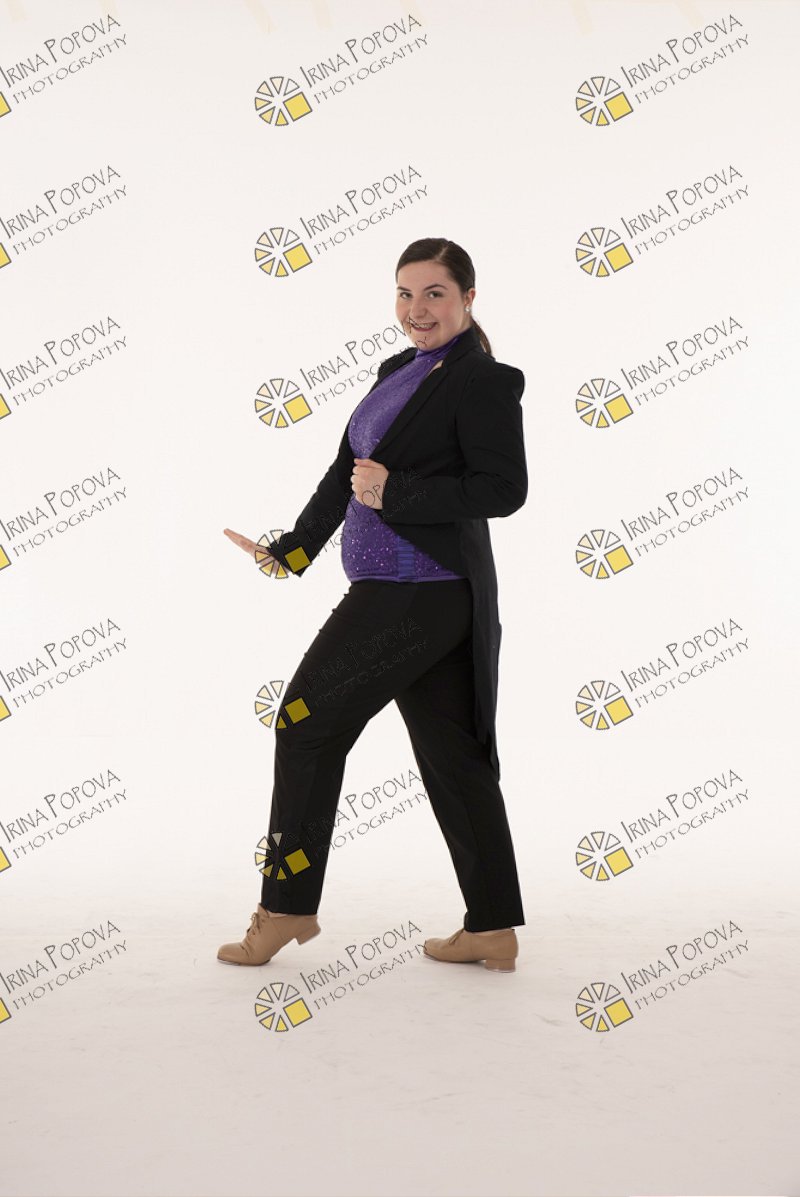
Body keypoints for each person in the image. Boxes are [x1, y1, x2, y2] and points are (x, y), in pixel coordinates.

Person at [219, 237, 528, 973]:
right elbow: (346, 472)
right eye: (405, 293)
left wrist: (399, 492)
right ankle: (492, 927)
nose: (417, 309)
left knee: (303, 723)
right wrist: (293, 550)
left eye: (434, 294)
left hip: (414, 593)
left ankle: (286, 907)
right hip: (413, 599)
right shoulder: (398, 371)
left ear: (468, 299)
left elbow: (503, 489)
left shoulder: (484, 380)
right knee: (454, 759)